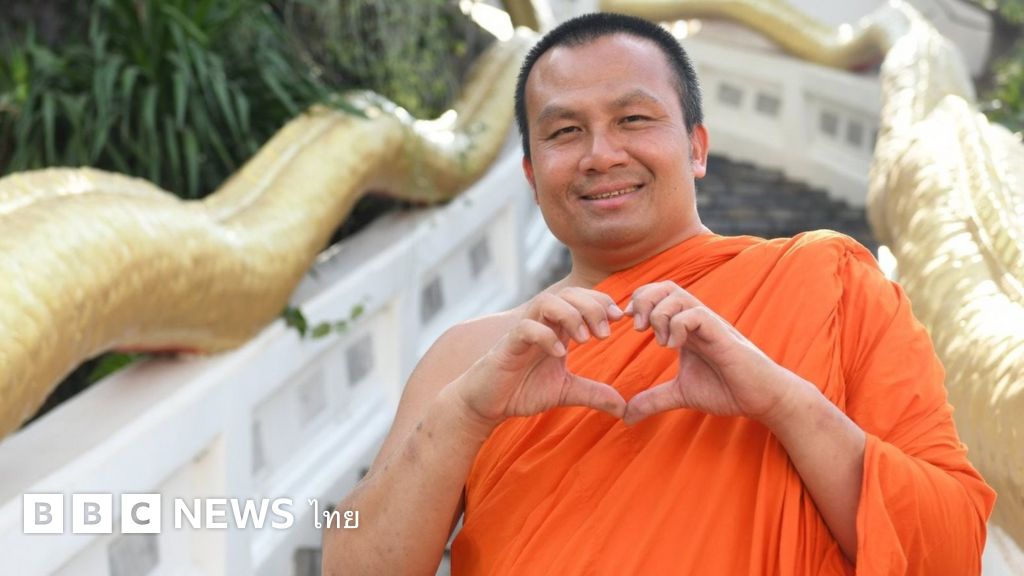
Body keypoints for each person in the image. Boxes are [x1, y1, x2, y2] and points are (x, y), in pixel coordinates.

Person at [322, 12, 995, 575]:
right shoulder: (471, 357)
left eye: (634, 119)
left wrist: (781, 400)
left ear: (697, 148)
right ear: (531, 174)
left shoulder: (831, 285)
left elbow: (947, 549)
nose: (601, 154)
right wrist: (468, 412)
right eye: (564, 131)